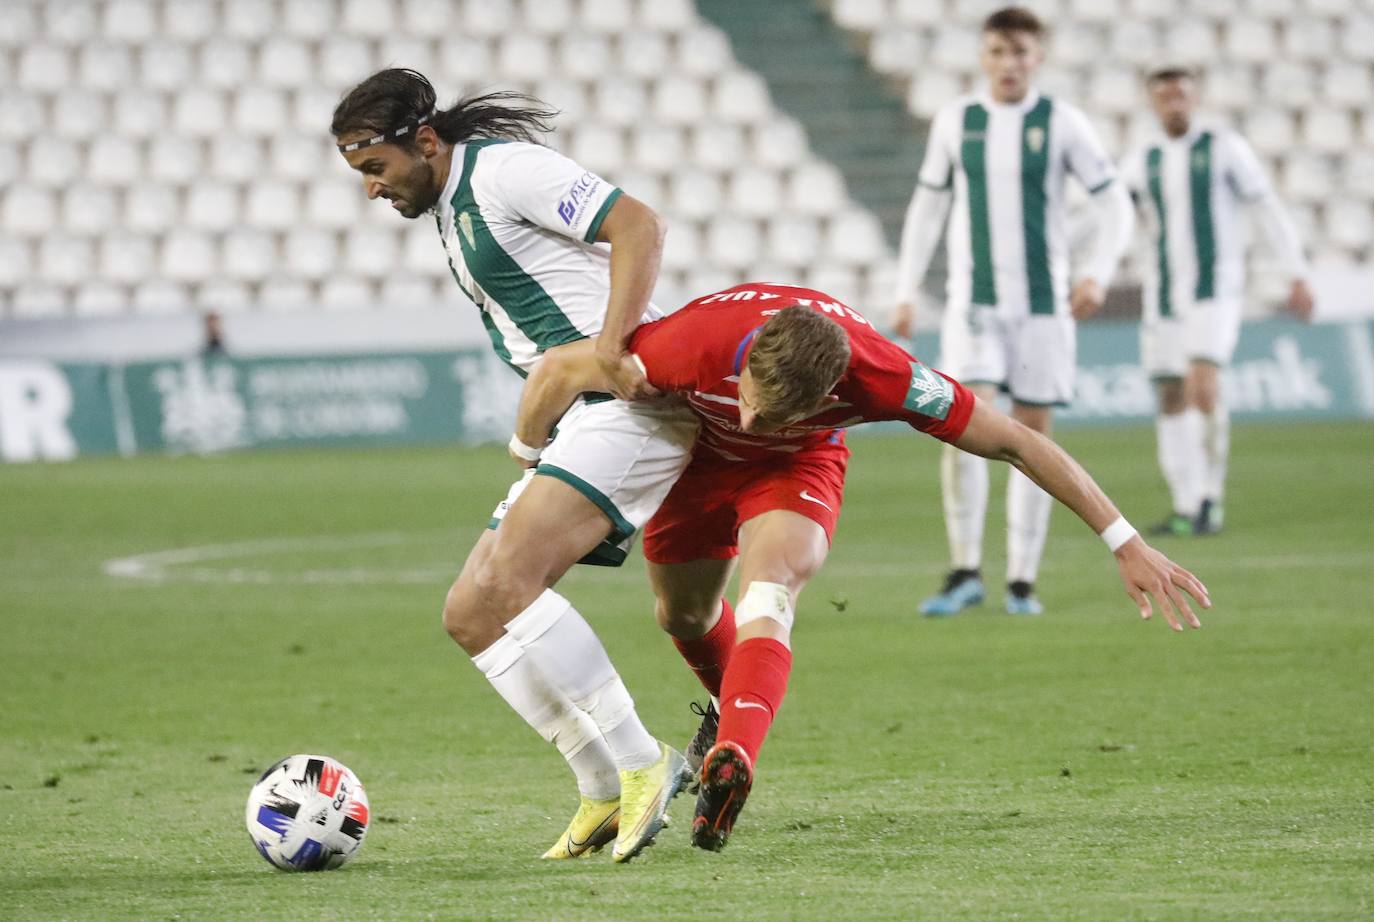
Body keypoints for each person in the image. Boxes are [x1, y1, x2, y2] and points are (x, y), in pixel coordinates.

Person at [515, 281, 1209, 851]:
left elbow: (1016, 443)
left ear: (829, 395)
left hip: (797, 470)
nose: (756, 421)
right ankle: (735, 708)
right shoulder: (692, 342)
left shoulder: (886, 376)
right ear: (748, 359)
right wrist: (527, 454)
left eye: (779, 412)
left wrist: (1123, 539)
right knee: (682, 614)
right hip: (694, 459)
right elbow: (562, 368)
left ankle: (735, 751)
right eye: (752, 400)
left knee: (771, 594)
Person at [331, 69, 701, 863]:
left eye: (374, 169)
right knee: (471, 613)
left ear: (424, 142)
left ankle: (645, 763)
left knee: (507, 583)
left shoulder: (505, 172)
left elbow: (638, 224)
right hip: (580, 418)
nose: (370, 190)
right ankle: (602, 788)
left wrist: (610, 345)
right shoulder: (451, 199)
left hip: (626, 408)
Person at [892, 6, 1134, 617]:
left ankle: (1022, 580)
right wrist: (905, 287)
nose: (1009, 64)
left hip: (1045, 307)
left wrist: (1096, 274)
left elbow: (1116, 206)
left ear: (1038, 57)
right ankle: (965, 569)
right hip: (974, 305)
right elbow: (927, 208)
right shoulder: (957, 121)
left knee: (1033, 434)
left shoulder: (1062, 123)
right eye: (998, 52)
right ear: (983, 56)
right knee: (963, 425)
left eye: (1020, 52)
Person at [1121, 67, 1313, 536]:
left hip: (1214, 290)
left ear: (1196, 99)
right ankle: (1184, 503)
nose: (1175, 104)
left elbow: (1265, 207)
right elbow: (1113, 216)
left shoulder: (1223, 147)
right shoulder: (1141, 157)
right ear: (1152, 103)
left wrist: (1296, 272)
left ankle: (1211, 498)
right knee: (1169, 395)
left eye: (1183, 95)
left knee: (1202, 385)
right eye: (1165, 96)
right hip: (1162, 295)